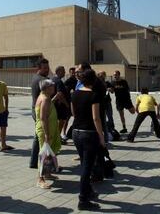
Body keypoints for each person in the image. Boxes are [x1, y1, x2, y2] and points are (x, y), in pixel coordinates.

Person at [72, 69, 105, 211]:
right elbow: (96, 118)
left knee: (84, 163)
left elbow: (73, 113)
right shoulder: (94, 95)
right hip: (89, 134)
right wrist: (101, 137)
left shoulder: (74, 94)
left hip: (76, 132)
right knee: (87, 168)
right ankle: (83, 200)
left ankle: (89, 191)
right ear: (94, 81)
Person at [35, 79, 61, 189]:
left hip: (49, 129)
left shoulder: (45, 97)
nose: (54, 88)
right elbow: (43, 118)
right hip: (46, 130)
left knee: (48, 154)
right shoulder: (45, 98)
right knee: (44, 155)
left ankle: (47, 173)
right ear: (47, 88)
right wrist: (47, 133)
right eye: (52, 86)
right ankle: (40, 179)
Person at [30, 58, 50, 169]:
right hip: (40, 111)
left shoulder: (37, 78)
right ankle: (41, 164)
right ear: (39, 68)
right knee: (41, 137)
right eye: (45, 68)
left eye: (48, 67)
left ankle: (33, 162)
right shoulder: (41, 80)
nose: (47, 70)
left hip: (36, 109)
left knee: (38, 136)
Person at [52, 66, 71, 144]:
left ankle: (57, 137)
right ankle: (57, 137)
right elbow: (59, 94)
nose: (64, 72)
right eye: (63, 71)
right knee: (62, 121)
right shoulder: (58, 81)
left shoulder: (52, 79)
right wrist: (67, 104)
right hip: (60, 106)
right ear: (58, 71)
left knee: (58, 122)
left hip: (55, 106)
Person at [97, 71, 115, 137]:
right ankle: (104, 129)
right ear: (98, 75)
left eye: (104, 75)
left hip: (107, 102)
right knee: (102, 117)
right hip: (101, 103)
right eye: (101, 75)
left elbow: (113, 91)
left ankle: (112, 128)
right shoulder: (97, 83)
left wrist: (111, 89)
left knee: (110, 116)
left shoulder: (107, 83)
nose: (103, 76)